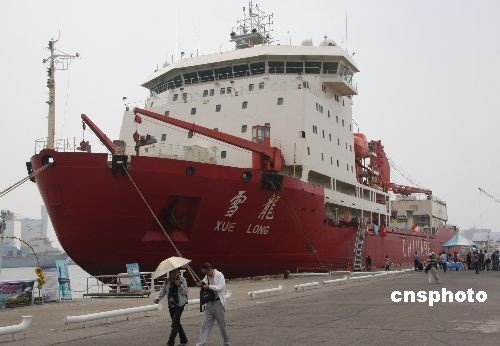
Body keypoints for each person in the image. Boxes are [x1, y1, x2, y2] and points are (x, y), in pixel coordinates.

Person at [197, 263, 230, 346]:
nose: (205, 274)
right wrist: (200, 284)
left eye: (205, 272)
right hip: (209, 304)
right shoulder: (207, 277)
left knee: (222, 325)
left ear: (209, 269)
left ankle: (226, 343)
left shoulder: (219, 275)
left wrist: (209, 287)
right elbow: (204, 284)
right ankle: (202, 343)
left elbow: (220, 287)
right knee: (205, 325)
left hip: (218, 303)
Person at [154, 269, 188, 346]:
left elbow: (185, 291)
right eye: (171, 273)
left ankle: (170, 342)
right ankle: (184, 340)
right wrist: (157, 298)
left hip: (180, 305)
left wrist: (180, 286)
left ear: (178, 273)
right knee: (177, 323)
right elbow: (163, 291)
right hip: (171, 305)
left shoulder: (182, 280)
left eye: (175, 272)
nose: (173, 274)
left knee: (174, 324)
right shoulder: (167, 281)